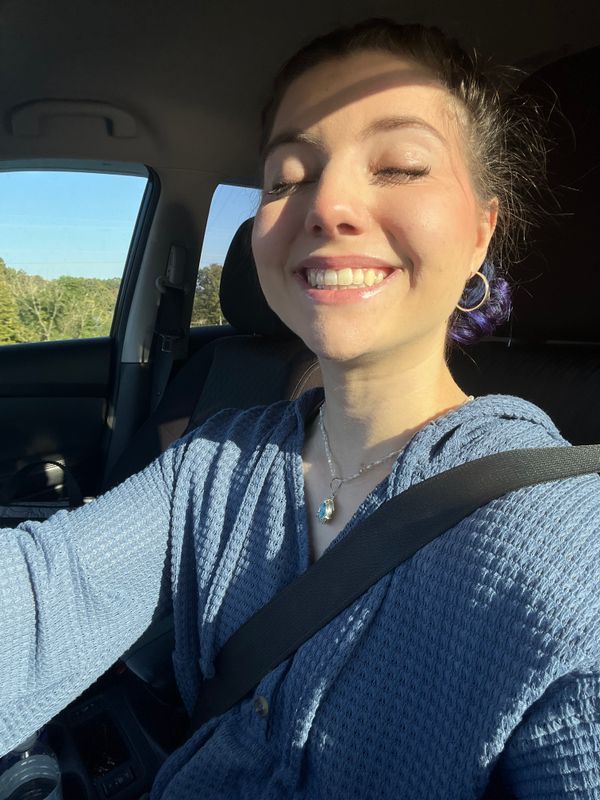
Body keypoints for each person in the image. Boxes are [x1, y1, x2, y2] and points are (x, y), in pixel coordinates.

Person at [1, 18, 599, 800]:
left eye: (399, 166)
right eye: (287, 178)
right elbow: (43, 596)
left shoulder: (565, 546)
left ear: (481, 233)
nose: (328, 205)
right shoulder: (213, 465)